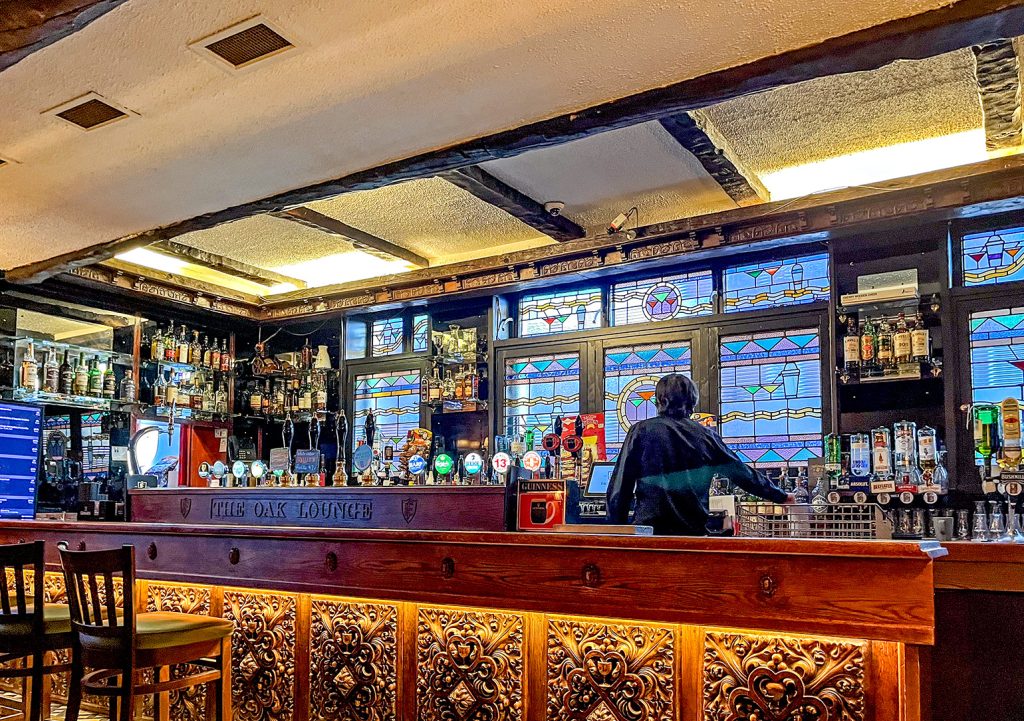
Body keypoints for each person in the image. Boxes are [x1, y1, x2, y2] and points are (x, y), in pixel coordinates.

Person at [606, 373, 794, 535]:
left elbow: (620, 488)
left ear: (659, 401)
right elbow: (743, 474)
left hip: (649, 535)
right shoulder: (707, 436)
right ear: (693, 403)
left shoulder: (640, 431)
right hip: (692, 535)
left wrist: (617, 532)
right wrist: (781, 496)